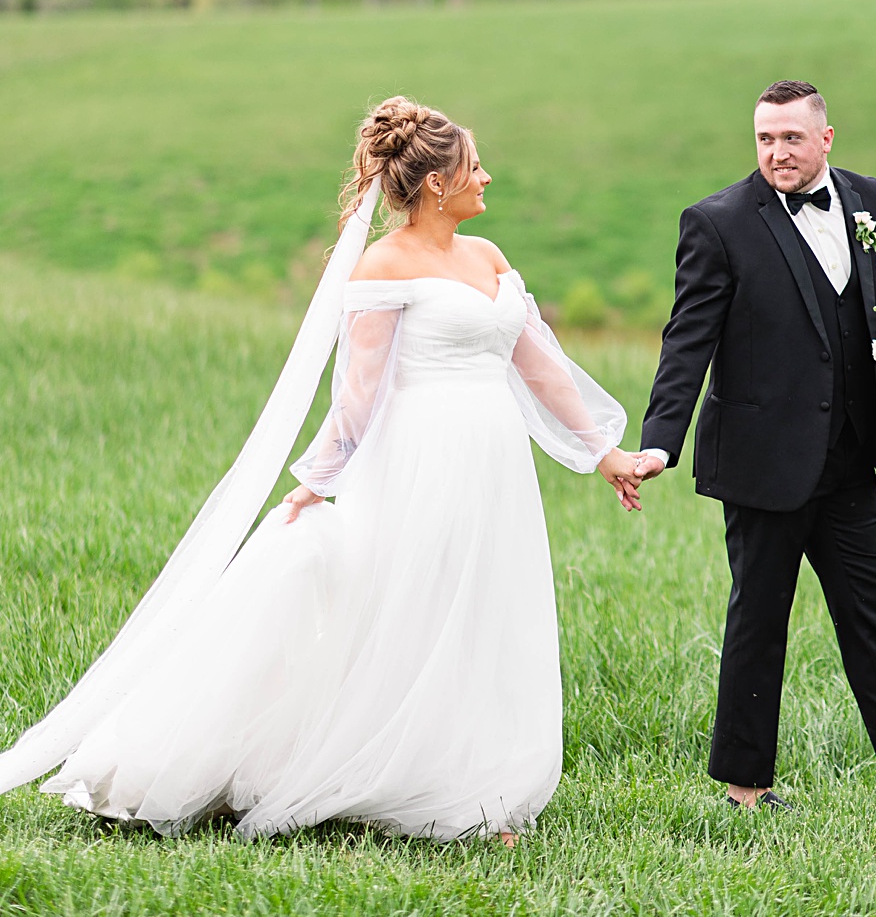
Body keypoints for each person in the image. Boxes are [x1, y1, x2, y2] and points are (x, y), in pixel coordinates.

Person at [0, 97, 643, 842]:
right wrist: (319, 478)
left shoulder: (490, 257)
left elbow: (541, 364)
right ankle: (384, 777)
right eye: (474, 167)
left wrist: (603, 452)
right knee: (412, 611)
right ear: (436, 184)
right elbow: (358, 394)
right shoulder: (382, 264)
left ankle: (475, 785)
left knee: (483, 613)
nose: (486, 177)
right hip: (420, 461)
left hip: (495, 466)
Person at [633, 79, 876, 805]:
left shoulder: (871, 199)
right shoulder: (716, 222)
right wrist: (659, 442)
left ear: (826, 139)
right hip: (761, 459)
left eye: (791, 138)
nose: (776, 152)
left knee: (869, 614)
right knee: (759, 620)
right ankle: (746, 789)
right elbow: (688, 340)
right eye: (764, 139)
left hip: (847, 454)